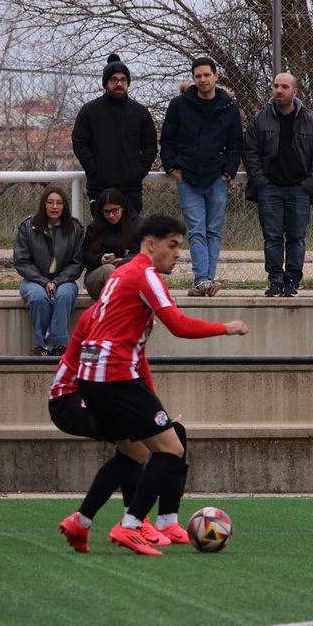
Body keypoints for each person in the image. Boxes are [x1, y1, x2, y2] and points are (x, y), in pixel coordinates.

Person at [66, 213, 249, 556]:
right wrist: (225, 328)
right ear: (151, 245)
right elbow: (178, 325)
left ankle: (88, 520)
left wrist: (148, 393)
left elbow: (132, 342)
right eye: (173, 245)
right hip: (113, 377)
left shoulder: (125, 272)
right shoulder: (144, 274)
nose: (179, 253)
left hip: (98, 379)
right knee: (170, 449)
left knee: (139, 449)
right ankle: (132, 525)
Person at [52, 305, 194, 553]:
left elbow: (138, 361)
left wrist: (151, 406)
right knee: (136, 445)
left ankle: (166, 520)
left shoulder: (135, 314)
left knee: (173, 434)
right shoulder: (101, 316)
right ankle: (134, 523)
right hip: (75, 395)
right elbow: (92, 364)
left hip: (103, 391)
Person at [160, 57, 244, 297]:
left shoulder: (229, 106)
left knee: (213, 230)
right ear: (193, 78)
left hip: (217, 177)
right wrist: (172, 167)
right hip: (188, 176)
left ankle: (207, 278)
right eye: (198, 76)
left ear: (216, 76)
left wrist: (228, 170)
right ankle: (202, 279)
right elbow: (167, 139)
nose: (203, 80)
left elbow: (236, 142)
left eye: (207, 75)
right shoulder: (179, 105)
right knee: (196, 229)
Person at [242, 71, 313, 298]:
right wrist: (260, 182)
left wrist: (309, 184)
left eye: (284, 87)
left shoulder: (309, 122)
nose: (278, 91)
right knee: (272, 238)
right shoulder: (260, 119)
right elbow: (249, 152)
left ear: (295, 91)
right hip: (269, 189)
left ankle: (292, 280)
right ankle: (275, 280)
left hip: (299, 190)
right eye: (275, 86)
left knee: (296, 237)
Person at [72, 54, 157, 217]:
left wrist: (138, 171)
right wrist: (93, 169)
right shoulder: (90, 111)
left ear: (128, 83)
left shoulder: (140, 113)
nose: (119, 83)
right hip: (99, 188)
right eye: (114, 79)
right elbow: (79, 143)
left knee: (131, 236)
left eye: (123, 79)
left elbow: (151, 145)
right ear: (106, 83)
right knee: (103, 237)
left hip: (130, 189)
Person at [13, 185, 86, 356]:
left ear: (64, 206)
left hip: (65, 280)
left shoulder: (75, 228)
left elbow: (77, 262)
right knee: (39, 297)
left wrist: (57, 282)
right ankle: (45, 346)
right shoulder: (28, 227)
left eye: (59, 203)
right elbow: (21, 261)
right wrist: (44, 282)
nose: (55, 207)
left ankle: (57, 346)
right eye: (50, 202)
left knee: (64, 295)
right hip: (34, 280)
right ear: (43, 204)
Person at [78, 188, 141, 299]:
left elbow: (140, 255)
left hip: (126, 274)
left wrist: (124, 261)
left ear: (122, 208)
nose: (111, 215)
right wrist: (100, 259)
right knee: (109, 270)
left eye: (115, 210)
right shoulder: (94, 227)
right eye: (106, 211)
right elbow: (85, 257)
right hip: (97, 276)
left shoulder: (133, 227)